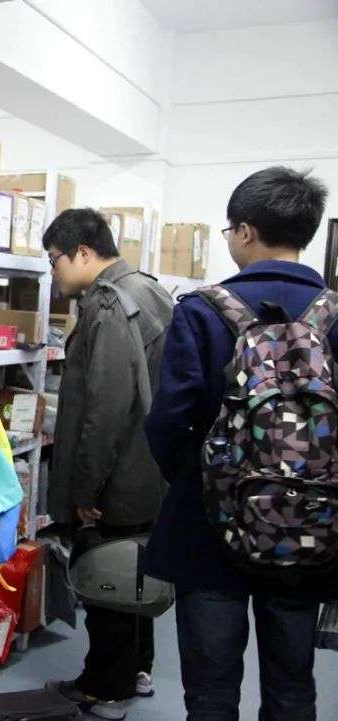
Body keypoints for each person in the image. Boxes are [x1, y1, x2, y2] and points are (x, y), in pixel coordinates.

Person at [144, 167, 334, 721]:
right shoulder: (334, 314)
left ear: (246, 231)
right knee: (293, 686)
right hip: (310, 527)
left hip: (209, 529)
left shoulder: (202, 310)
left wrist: (198, 478)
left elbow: (168, 421)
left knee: (210, 693)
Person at [42, 209, 173, 720]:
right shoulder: (149, 289)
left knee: (108, 580)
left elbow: (106, 408)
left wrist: (86, 490)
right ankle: (136, 673)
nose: (53, 271)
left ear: (83, 253)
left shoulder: (110, 303)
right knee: (135, 574)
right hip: (146, 471)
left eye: (55, 260)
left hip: (116, 479)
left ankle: (106, 690)